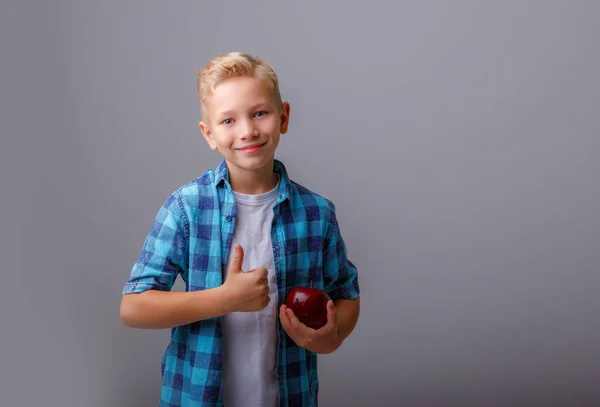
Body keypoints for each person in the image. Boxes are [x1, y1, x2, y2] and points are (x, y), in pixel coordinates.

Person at [119, 51, 361, 407]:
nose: (247, 130)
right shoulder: (186, 208)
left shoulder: (317, 213)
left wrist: (328, 337)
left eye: (259, 113)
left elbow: (347, 295)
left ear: (284, 117)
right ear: (209, 134)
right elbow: (133, 307)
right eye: (228, 120)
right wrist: (226, 299)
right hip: (198, 397)